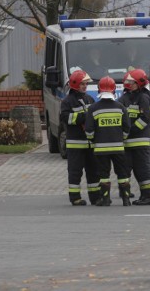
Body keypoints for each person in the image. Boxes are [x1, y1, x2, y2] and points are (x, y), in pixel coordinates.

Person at [85, 76, 132, 206]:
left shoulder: (93, 109)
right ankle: (126, 199)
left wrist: (93, 140)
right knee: (122, 174)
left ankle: (105, 199)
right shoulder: (121, 107)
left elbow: (89, 130)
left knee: (104, 175)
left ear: (99, 90)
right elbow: (127, 127)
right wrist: (121, 138)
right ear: (113, 90)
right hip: (118, 148)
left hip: (100, 149)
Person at [60, 69, 101, 206]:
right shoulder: (67, 102)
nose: (85, 86)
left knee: (94, 171)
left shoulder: (89, 99)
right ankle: (75, 197)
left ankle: (95, 197)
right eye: (83, 84)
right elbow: (67, 118)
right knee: (75, 172)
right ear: (76, 84)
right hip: (76, 143)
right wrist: (85, 116)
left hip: (90, 143)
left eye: (86, 84)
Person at [118, 69, 150, 205]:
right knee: (137, 170)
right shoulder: (127, 97)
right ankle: (144, 195)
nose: (129, 84)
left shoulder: (143, 98)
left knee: (143, 169)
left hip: (140, 141)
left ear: (139, 83)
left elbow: (144, 119)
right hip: (130, 141)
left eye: (132, 82)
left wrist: (129, 130)